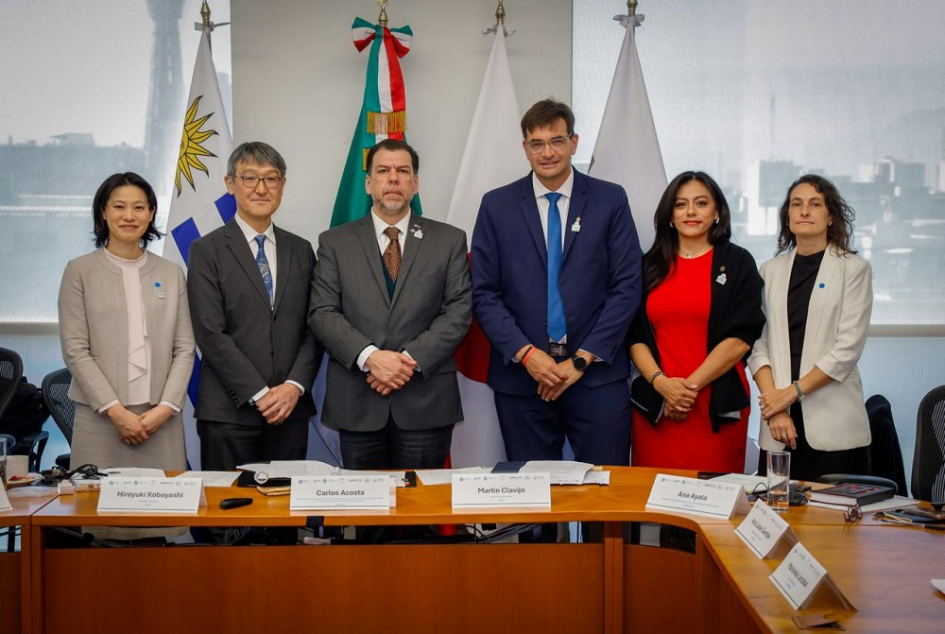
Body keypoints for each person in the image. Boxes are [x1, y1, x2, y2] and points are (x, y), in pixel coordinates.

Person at [471, 98, 642, 469]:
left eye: (557, 141)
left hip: (596, 377)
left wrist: (580, 360)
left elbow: (627, 285)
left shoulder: (609, 200)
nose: (548, 152)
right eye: (537, 143)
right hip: (523, 379)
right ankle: (543, 533)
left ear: (574, 142)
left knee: (604, 499)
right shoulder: (496, 206)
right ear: (525, 148)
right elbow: (484, 292)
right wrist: (528, 355)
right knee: (532, 500)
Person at [309, 139, 472, 471]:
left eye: (403, 171)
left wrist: (405, 363)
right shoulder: (334, 242)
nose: (393, 179)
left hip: (426, 402)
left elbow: (457, 312)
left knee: (423, 516)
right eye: (383, 171)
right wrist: (371, 358)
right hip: (358, 403)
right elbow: (322, 312)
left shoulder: (449, 240)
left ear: (415, 183)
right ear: (369, 183)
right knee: (369, 519)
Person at [187, 142, 321, 471]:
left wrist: (293, 387)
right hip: (228, 413)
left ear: (283, 185)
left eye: (271, 179)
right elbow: (210, 332)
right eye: (249, 178)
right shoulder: (206, 250)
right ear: (230, 184)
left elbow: (316, 325)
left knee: (283, 517)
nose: (261, 188)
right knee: (228, 519)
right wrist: (259, 393)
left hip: (290, 410)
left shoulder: (302, 250)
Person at [628, 172, 764, 472]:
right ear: (670, 216)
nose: (691, 212)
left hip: (713, 406)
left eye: (701, 203)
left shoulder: (739, 262)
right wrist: (662, 385)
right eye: (681, 204)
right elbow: (634, 336)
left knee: (714, 505)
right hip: (657, 405)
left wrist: (687, 390)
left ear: (717, 213)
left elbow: (741, 338)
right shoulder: (648, 265)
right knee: (654, 504)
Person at [58, 172, 195, 471]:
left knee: (167, 511)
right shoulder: (79, 271)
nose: (129, 216)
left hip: (161, 421)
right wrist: (116, 412)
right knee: (98, 511)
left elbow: (185, 348)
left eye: (139, 207)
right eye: (119, 207)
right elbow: (75, 350)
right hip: (101, 419)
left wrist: (166, 408)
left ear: (151, 213)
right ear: (103, 212)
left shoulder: (171, 273)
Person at [749, 174, 873, 481]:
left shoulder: (853, 270)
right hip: (778, 423)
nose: (804, 211)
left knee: (834, 526)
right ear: (787, 217)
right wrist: (776, 408)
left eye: (815, 204)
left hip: (834, 428)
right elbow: (757, 345)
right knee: (777, 520)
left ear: (830, 216)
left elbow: (847, 350)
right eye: (796, 204)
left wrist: (791, 394)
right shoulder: (770, 271)